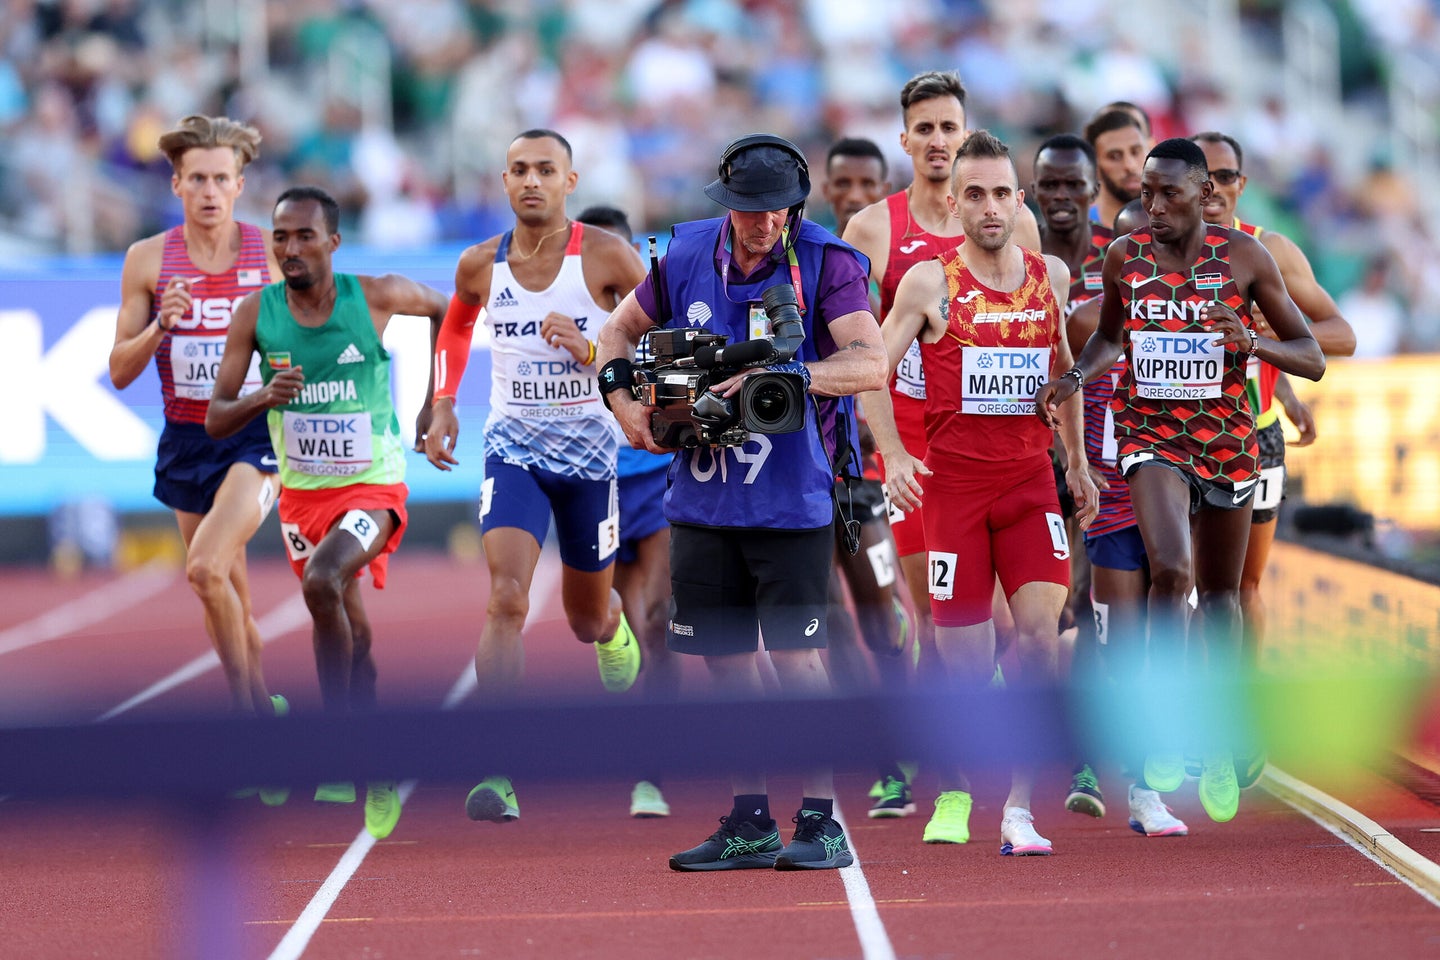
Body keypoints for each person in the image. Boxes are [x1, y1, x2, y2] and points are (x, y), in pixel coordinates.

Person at [596, 133, 887, 871]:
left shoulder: (828, 262)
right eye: (748, 211)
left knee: (797, 660)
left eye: (777, 211)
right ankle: (750, 818)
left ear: (797, 205)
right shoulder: (687, 253)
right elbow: (616, 332)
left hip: (793, 501)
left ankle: (821, 821)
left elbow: (871, 361)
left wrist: (792, 378)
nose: (762, 224)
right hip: (699, 499)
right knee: (723, 660)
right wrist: (625, 405)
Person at [1036, 138, 1326, 825]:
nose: (1154, 206)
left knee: (1221, 597)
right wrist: (1077, 375)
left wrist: (1250, 342)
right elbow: (1109, 337)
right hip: (1150, 438)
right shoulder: (1124, 257)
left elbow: (1311, 356)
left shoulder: (1247, 259)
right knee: (1172, 568)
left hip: (1227, 442)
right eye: (1146, 194)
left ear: (1204, 195)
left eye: (1170, 194)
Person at [864, 129, 1096, 856]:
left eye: (1002, 193)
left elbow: (1065, 374)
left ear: (1017, 199)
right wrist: (895, 453)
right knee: (961, 662)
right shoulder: (929, 283)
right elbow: (870, 367)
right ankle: (958, 788)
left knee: (1041, 641)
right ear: (956, 202)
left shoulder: (1049, 276)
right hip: (955, 496)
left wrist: (1078, 462)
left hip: (1030, 485)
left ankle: (1020, 809)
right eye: (976, 194)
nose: (990, 206)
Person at [206, 185, 449, 841]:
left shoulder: (375, 295)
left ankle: (342, 747)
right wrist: (263, 396)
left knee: (322, 582)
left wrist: (436, 402)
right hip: (302, 496)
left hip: (374, 487)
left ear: (332, 243)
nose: (290, 248)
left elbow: (447, 312)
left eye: (304, 236)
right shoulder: (255, 314)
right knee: (353, 631)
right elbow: (215, 418)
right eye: (280, 237)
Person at [424, 130, 648, 825]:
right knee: (507, 600)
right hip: (512, 449)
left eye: (544, 170)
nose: (530, 181)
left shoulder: (606, 256)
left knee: (586, 619)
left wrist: (588, 348)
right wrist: (439, 402)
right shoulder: (478, 264)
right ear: (502, 179)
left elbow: (663, 336)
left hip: (589, 455)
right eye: (519, 170)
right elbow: (456, 326)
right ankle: (497, 763)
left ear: (569, 180)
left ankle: (614, 630)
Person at [842, 73, 1041, 817]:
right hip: (915, 442)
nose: (935, 140)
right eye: (922, 129)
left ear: (965, 134)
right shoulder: (874, 229)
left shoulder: (1012, 223)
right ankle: (931, 762)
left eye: (947, 127)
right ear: (905, 141)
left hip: (996, 447)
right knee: (933, 609)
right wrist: (889, 453)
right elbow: (862, 353)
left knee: (990, 618)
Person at [108, 115, 286, 752]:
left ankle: (245, 728)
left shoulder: (272, 252)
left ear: (240, 186)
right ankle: (265, 710)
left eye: (222, 179)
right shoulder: (149, 260)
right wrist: (161, 324)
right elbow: (119, 370)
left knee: (205, 570)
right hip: (186, 443)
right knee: (228, 596)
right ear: (177, 185)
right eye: (198, 179)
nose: (210, 191)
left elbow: (317, 335)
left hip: (253, 438)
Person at [1190, 133, 1354, 734]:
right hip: (1173, 440)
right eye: (1200, 176)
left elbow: (1339, 334)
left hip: (1252, 438)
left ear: (1242, 184)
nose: (1212, 189)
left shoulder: (1270, 250)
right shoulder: (1156, 248)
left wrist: (1270, 343)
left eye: (1225, 176)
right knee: (1179, 581)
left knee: (1243, 585)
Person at [1067, 198, 1190, 838]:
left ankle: (1147, 788)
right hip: (1112, 505)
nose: (1141, 250)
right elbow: (1067, 402)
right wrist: (1078, 473)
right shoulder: (1087, 321)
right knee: (1120, 652)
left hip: (1173, 497)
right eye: (1126, 242)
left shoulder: (1190, 313)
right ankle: (1095, 757)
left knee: (1172, 636)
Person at [819, 137, 915, 813]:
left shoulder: (900, 270)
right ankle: (886, 760)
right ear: (827, 192)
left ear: (884, 190)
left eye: (866, 185)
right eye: (843, 184)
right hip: (809, 473)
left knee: (881, 617)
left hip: (870, 472)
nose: (854, 195)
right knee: (827, 619)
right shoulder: (809, 265)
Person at [575, 203, 680, 819]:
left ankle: (652, 770)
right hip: (596, 481)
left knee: (660, 620)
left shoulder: (653, 305)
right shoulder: (561, 309)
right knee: (620, 624)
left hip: (656, 479)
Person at [1031, 132, 1114, 820]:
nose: (1062, 199)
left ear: (1094, 193)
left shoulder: (1126, 259)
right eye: (1049, 187)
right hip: (1023, 462)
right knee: (1040, 613)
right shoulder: (1011, 261)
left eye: (1073, 187)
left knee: (1085, 607)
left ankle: (1082, 752)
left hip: (1100, 463)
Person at [1084, 108, 1150, 230]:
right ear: (1094, 167)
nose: (1130, 166)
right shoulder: (1080, 234)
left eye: (1136, 152)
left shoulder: (1177, 226)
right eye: (1114, 156)